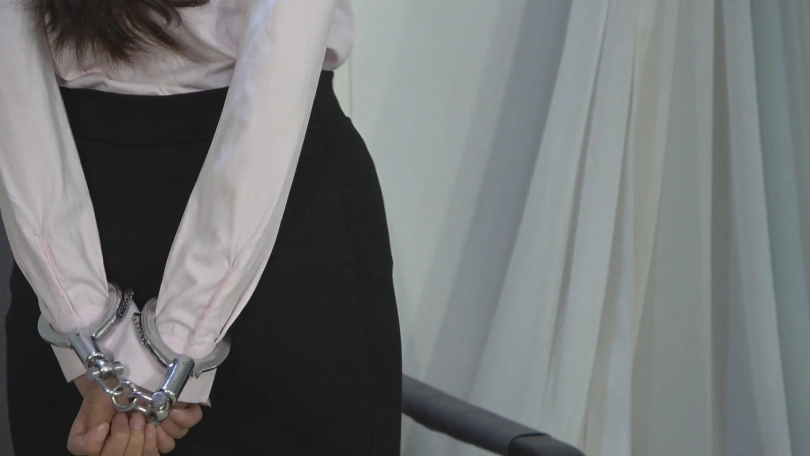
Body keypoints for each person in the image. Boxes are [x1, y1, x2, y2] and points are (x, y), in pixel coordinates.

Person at [0, 0, 402, 454]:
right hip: (61, 205)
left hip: (276, 211)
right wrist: (87, 325)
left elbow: (282, 50)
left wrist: (108, 333)